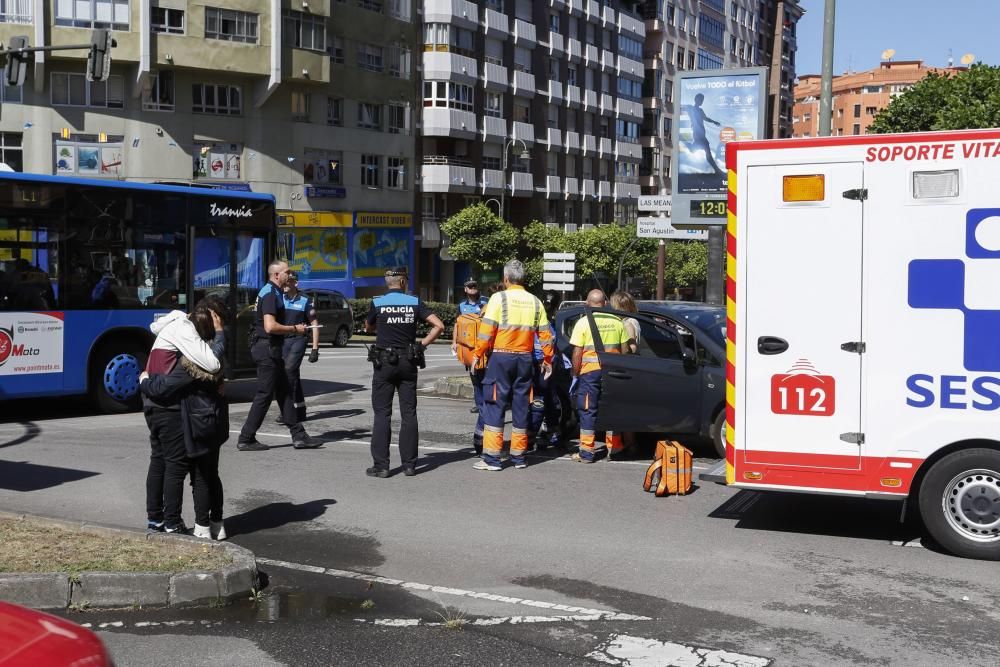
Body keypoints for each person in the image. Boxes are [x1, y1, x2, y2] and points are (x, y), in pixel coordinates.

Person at [141, 297, 230, 540]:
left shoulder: (174, 327)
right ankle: (174, 524)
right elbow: (209, 364)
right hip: (172, 410)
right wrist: (148, 382)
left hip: (154, 405)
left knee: (159, 461)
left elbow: (162, 384)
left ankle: (156, 519)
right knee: (179, 468)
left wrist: (145, 381)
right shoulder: (190, 343)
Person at [471, 260, 554, 471]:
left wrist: (477, 354)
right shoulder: (535, 302)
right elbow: (546, 335)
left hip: (501, 358)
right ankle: (519, 457)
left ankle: (492, 458)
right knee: (521, 405)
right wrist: (548, 360)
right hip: (525, 359)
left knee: (495, 404)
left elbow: (486, 331)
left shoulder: (498, 298)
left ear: (506, 279)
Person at [365, 266, 445, 478]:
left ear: (388, 283)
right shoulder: (414, 302)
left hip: (384, 363)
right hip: (408, 361)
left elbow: (368, 327)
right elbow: (438, 325)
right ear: (402, 282)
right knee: (409, 413)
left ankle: (381, 466)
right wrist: (422, 345)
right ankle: (409, 465)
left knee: (382, 413)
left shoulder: (378, 302)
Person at [238, 260, 323, 451]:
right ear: (277, 275)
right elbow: (270, 326)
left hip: (271, 348)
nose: (290, 275)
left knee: (284, 392)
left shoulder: (274, 292)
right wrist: (295, 328)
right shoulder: (270, 293)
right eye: (287, 272)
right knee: (265, 394)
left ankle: (299, 436)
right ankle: (246, 438)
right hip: (266, 348)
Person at [569, 289, 629, 463]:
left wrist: (574, 373)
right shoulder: (617, 321)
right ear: (605, 303)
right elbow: (625, 350)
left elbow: (577, 352)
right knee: (613, 408)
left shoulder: (582, 323)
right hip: (613, 372)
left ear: (588, 303)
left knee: (588, 410)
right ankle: (615, 448)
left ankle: (587, 452)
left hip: (589, 372)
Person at [451, 278, 490, 452]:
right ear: (465, 289)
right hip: (469, 348)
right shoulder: (461, 306)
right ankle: (478, 403)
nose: (473, 289)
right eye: (470, 286)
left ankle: (483, 406)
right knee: (474, 377)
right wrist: (454, 342)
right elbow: (457, 325)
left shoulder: (486, 302)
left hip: (484, 347)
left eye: (475, 286)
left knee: (484, 377)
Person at [276, 271, 319, 425]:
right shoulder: (280, 298)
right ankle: (300, 410)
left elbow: (314, 324)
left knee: (289, 373)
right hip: (284, 340)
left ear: (296, 283)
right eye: (285, 282)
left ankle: (287, 412)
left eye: (289, 282)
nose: (285, 284)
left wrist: (315, 348)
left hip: (299, 340)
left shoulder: (306, 300)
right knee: (291, 375)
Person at [608, 290, 641, 457]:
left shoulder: (628, 323)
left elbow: (632, 348)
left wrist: (623, 348)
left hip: (627, 369)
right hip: (629, 369)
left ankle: (628, 444)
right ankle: (628, 443)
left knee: (623, 409)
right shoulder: (633, 320)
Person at [682, 93, 723, 175]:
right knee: (707, 151)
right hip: (697, 134)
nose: (701, 101)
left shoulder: (700, 111)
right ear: (696, 99)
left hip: (701, 133)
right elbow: (679, 106)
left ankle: (688, 145)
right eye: (700, 100)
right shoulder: (690, 108)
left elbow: (706, 118)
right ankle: (717, 170)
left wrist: (714, 122)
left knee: (696, 149)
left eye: (702, 100)